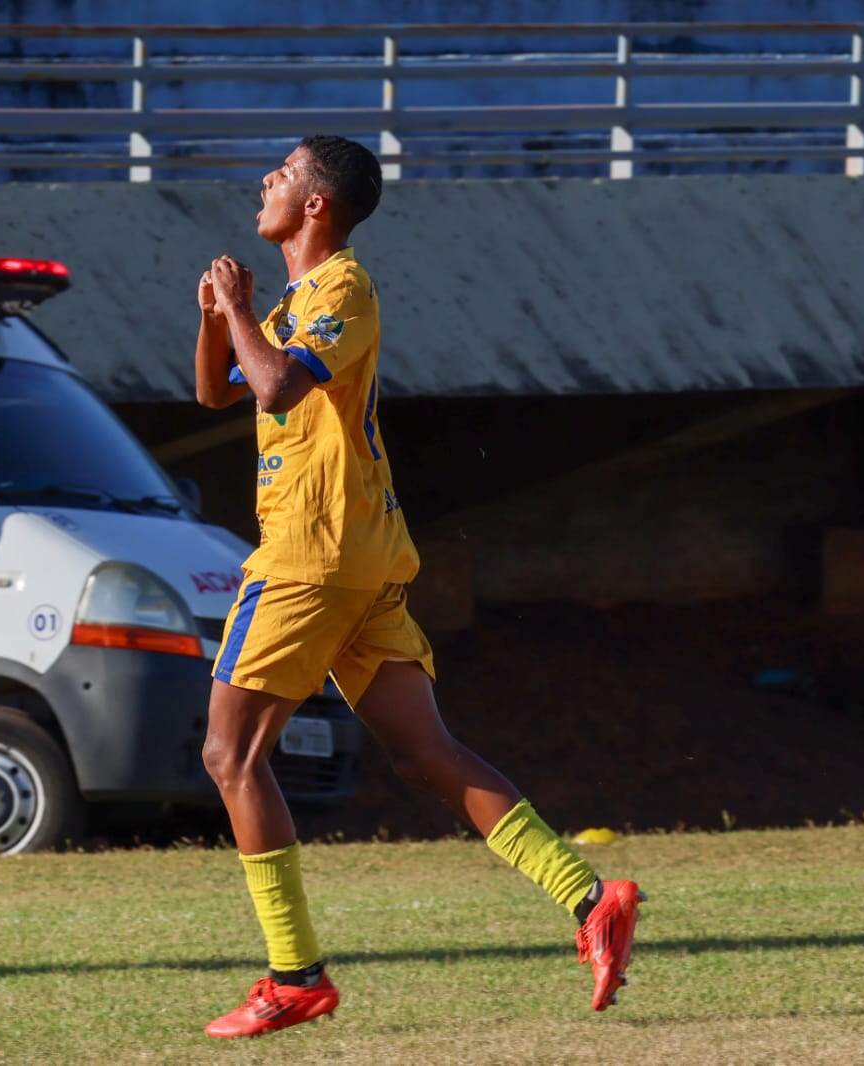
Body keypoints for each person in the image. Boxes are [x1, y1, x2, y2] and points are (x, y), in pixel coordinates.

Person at [193, 134, 644, 1040]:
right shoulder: (290, 301)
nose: (266, 182)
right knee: (422, 753)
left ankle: (295, 974)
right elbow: (217, 391)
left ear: (317, 204)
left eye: (281, 174)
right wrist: (219, 316)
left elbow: (275, 389)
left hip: (309, 557)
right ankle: (590, 898)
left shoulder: (342, 290)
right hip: (361, 560)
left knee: (230, 756)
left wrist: (243, 310)